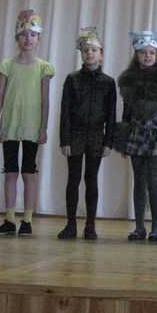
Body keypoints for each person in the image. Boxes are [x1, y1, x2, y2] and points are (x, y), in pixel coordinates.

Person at [0, 10, 55, 237]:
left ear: (38, 39)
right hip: (10, 126)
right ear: (17, 38)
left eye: (33, 35)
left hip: (32, 127)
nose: (28, 39)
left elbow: (45, 101)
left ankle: (27, 220)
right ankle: (9, 219)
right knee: (10, 172)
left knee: (29, 173)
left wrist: (43, 128)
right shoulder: (7, 65)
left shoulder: (43, 67)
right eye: (24, 34)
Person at [116, 31, 157, 242]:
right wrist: (123, 140)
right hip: (136, 134)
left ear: (156, 55)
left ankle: (156, 227)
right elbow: (126, 112)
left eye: (152, 53)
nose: (147, 56)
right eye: (143, 53)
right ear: (136, 54)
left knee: (154, 181)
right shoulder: (128, 80)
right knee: (139, 181)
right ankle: (139, 227)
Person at [57, 27, 116, 241]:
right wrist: (64, 139)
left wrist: (109, 142)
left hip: (96, 137)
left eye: (93, 50)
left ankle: (90, 225)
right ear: (81, 54)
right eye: (85, 50)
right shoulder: (72, 79)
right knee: (73, 179)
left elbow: (111, 114)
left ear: (101, 54)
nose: (89, 53)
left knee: (91, 180)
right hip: (75, 135)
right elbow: (64, 111)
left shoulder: (108, 82)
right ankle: (70, 224)